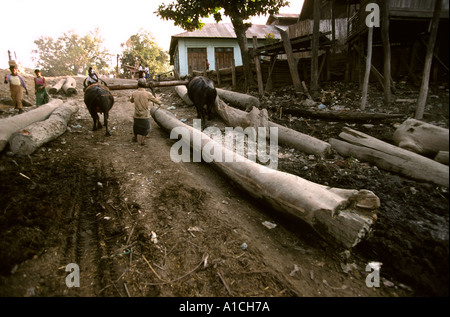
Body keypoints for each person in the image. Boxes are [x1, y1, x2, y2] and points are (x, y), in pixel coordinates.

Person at [130, 79, 161, 145]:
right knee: (146, 128)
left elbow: (131, 100)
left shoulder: (134, 93)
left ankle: (135, 138)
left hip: (136, 115)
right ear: (145, 85)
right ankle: (142, 140)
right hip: (145, 116)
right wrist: (160, 103)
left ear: (138, 85)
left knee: (136, 127)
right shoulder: (148, 94)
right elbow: (155, 100)